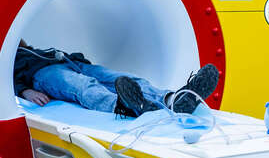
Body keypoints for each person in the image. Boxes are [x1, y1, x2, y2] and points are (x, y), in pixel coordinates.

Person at [14, 41, 219, 117]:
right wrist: (24, 90)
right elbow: (1, 80)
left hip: (73, 62)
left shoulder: (38, 50)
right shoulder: (11, 59)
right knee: (83, 86)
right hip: (41, 75)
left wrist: (79, 61)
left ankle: (174, 100)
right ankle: (124, 107)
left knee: (121, 78)